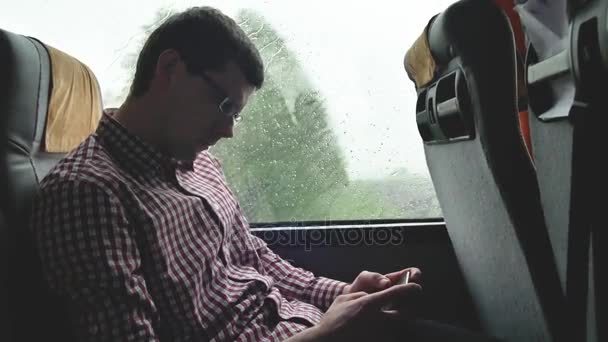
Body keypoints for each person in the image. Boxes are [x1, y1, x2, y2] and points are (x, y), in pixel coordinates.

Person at [30, 6, 499, 341]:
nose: (229, 131)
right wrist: (328, 333)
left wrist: (349, 295)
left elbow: (255, 260)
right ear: (169, 68)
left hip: (302, 323)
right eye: (223, 106)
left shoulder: (199, 162)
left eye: (237, 115)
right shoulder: (87, 193)